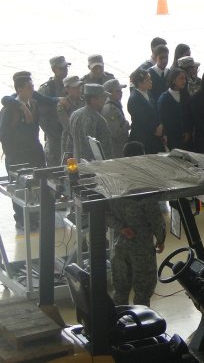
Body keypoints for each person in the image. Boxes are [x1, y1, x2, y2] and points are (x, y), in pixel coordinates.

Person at [106, 141, 166, 307]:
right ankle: (142, 329)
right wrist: (161, 238)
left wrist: (122, 229)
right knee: (142, 294)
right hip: (141, 249)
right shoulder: (143, 182)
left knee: (120, 292)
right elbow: (154, 217)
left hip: (119, 247)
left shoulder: (113, 181)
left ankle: (117, 327)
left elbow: (105, 214)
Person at [0, 76, 45, 228]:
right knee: (19, 189)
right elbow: (3, 136)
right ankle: (20, 219)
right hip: (17, 157)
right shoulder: (10, 110)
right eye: (29, 87)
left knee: (34, 187)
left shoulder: (34, 104)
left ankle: (33, 216)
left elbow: (35, 130)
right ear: (20, 90)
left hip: (33, 154)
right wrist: (12, 156)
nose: (33, 90)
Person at [65, 84, 113, 161]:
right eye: (103, 97)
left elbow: (69, 144)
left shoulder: (74, 115)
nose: (105, 99)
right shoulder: (99, 120)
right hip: (95, 166)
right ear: (93, 100)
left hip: (78, 163)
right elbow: (106, 150)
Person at [38, 56, 70, 166]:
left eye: (66, 67)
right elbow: (41, 115)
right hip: (54, 135)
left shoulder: (71, 85)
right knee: (54, 165)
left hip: (69, 133)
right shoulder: (47, 88)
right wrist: (50, 131)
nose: (65, 70)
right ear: (53, 70)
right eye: (61, 68)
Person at [128, 69, 166, 154]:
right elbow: (142, 119)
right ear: (140, 83)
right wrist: (155, 130)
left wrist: (160, 124)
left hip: (153, 135)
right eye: (148, 80)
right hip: (143, 137)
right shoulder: (134, 99)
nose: (151, 82)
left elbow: (156, 111)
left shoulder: (148, 93)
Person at [158, 68, 193, 151]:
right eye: (181, 78)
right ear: (173, 80)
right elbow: (165, 120)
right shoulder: (164, 98)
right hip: (172, 139)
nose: (184, 81)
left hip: (187, 138)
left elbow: (190, 116)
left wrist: (188, 132)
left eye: (184, 78)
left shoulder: (186, 96)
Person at [58, 75, 86, 161]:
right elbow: (67, 125)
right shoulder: (62, 104)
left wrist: (71, 119)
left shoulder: (85, 100)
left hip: (84, 138)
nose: (79, 89)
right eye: (75, 87)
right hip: (69, 139)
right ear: (67, 89)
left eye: (79, 86)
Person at [102, 79, 129, 158]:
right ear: (109, 93)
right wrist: (126, 125)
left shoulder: (116, 104)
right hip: (116, 148)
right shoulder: (111, 109)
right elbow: (115, 133)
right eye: (117, 91)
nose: (121, 93)